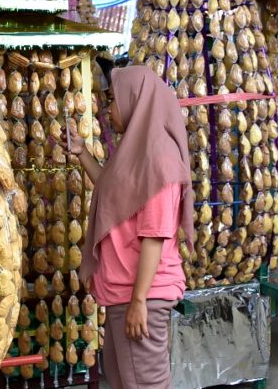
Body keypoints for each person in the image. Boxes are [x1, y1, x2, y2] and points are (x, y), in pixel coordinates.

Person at [67, 65, 195, 389]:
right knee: (124, 380)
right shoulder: (136, 152)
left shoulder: (159, 158)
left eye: (113, 100)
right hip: (123, 293)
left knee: (144, 384)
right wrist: (83, 153)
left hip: (142, 295)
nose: (108, 109)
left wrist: (139, 300)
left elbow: (155, 235)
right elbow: (113, 193)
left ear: (134, 99)